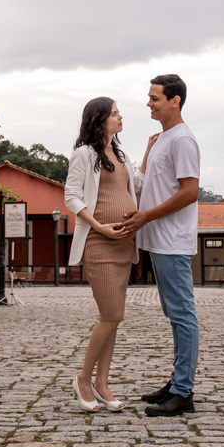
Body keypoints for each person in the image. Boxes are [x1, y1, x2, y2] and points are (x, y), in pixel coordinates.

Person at [119, 74, 201, 417]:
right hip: (158, 241)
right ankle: (177, 382)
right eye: (149, 97)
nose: (149, 103)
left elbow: (190, 191)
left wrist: (146, 216)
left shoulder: (183, 140)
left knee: (183, 315)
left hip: (172, 242)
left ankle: (183, 391)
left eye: (155, 98)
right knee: (175, 314)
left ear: (175, 100)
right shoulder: (164, 139)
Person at [64, 97, 142, 413]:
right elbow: (71, 196)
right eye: (114, 113)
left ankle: (102, 383)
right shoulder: (83, 155)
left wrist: (151, 151)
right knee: (112, 315)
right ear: (99, 119)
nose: (120, 116)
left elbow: (136, 184)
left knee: (112, 318)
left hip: (124, 244)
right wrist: (100, 227)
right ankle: (84, 379)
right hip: (99, 242)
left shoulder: (121, 154)